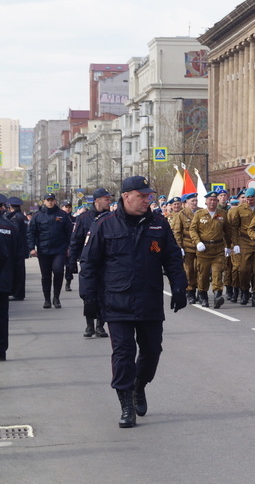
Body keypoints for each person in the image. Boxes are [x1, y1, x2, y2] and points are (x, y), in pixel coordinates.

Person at [79, 176, 187, 428]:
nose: (147, 200)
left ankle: (140, 385)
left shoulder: (159, 224)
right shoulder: (104, 225)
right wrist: (89, 299)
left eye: (149, 196)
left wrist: (180, 287)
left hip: (149, 299)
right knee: (123, 354)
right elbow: (89, 264)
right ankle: (126, 404)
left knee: (152, 351)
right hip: (116, 301)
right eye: (142, 196)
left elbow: (172, 257)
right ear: (127, 196)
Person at [68, 188, 113, 338]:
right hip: (88, 262)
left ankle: (100, 325)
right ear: (97, 200)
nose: (109, 201)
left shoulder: (112, 218)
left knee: (104, 293)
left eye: (109, 199)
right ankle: (89, 325)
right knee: (89, 294)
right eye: (106, 199)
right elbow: (76, 241)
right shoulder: (84, 218)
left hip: (106, 263)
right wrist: (72, 262)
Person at [27, 193, 73, 309]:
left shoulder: (62, 215)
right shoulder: (38, 216)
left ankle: (56, 298)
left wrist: (70, 247)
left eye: (52, 200)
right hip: (43, 250)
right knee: (46, 275)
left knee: (58, 271)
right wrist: (31, 248)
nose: (50, 202)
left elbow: (69, 232)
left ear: (55, 201)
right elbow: (31, 233)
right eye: (48, 200)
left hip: (59, 249)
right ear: (44, 202)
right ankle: (47, 299)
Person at [190, 191, 232, 308]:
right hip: (203, 250)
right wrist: (197, 242)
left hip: (218, 249)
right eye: (210, 200)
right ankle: (203, 296)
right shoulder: (199, 214)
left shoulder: (222, 214)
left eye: (214, 200)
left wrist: (228, 246)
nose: (212, 202)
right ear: (206, 201)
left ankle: (218, 295)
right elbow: (193, 230)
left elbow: (227, 231)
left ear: (217, 202)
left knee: (217, 273)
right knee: (203, 274)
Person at [0, 192, 18, 367]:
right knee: (1, 316)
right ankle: (1, 349)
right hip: (3, 279)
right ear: (2, 206)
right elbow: (16, 256)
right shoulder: (10, 226)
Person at [172, 193, 199, 304]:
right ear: (186, 202)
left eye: (196, 200)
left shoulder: (201, 212)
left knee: (199, 269)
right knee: (189, 270)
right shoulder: (181, 214)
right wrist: (179, 247)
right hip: (187, 246)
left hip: (200, 246)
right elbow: (177, 232)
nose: (194, 203)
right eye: (192, 201)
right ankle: (190, 291)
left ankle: (200, 292)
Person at [4, 196, 27, 301]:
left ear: (10, 207)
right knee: (19, 270)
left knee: (17, 271)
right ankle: (18, 292)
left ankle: (18, 293)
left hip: (16, 247)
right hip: (21, 247)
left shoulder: (15, 218)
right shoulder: (21, 216)